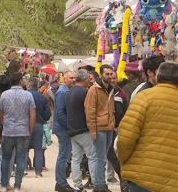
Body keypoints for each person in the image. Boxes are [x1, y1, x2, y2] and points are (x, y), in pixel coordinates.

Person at [117, 62, 178, 192]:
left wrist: (124, 161)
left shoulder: (144, 97)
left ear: (157, 78)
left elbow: (125, 137)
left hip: (142, 176)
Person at [0, 73, 36, 191]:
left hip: (8, 131)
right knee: (20, 159)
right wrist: (30, 129)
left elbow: (0, 112)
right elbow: (33, 114)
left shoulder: (4, 95)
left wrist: (5, 124)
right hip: (22, 130)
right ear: (20, 81)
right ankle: (17, 186)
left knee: (5, 158)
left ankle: (4, 184)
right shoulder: (28, 95)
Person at [84, 64, 115, 192]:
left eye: (111, 74)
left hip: (109, 127)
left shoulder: (110, 89)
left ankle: (98, 185)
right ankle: (101, 185)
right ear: (101, 75)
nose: (109, 76)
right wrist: (92, 129)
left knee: (102, 156)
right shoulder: (94, 89)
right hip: (99, 127)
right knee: (100, 157)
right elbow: (89, 110)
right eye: (107, 74)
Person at [66, 69, 95, 192]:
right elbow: (89, 110)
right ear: (85, 79)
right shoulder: (85, 92)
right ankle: (95, 182)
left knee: (76, 158)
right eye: (88, 78)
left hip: (72, 129)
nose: (90, 80)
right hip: (83, 129)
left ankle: (78, 184)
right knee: (92, 157)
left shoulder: (70, 91)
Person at [53, 71, 76, 192]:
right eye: (70, 78)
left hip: (64, 128)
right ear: (65, 79)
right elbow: (60, 113)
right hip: (63, 129)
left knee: (65, 155)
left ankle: (61, 182)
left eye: (74, 78)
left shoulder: (67, 91)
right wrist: (69, 127)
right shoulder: (62, 93)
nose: (73, 80)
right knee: (63, 156)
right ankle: (61, 182)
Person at [26, 78, 51, 178]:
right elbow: (48, 113)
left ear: (28, 85)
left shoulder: (25, 96)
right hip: (38, 124)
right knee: (38, 149)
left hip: (26, 124)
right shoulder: (43, 98)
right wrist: (42, 119)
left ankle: (23, 168)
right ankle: (38, 171)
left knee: (23, 148)